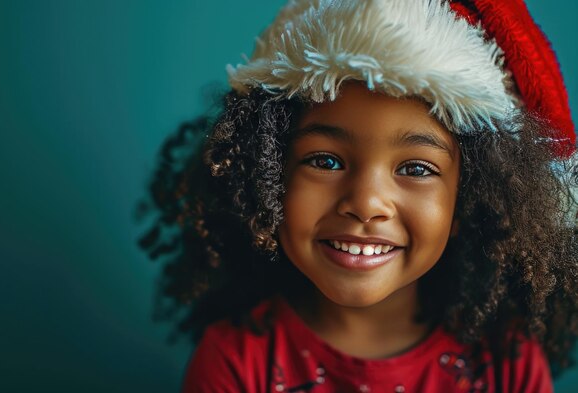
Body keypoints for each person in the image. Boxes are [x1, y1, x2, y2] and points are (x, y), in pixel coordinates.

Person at [138, 0, 578, 391]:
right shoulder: (234, 363)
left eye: (416, 169)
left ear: (466, 199)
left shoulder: (508, 365)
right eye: (326, 161)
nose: (366, 203)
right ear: (265, 180)